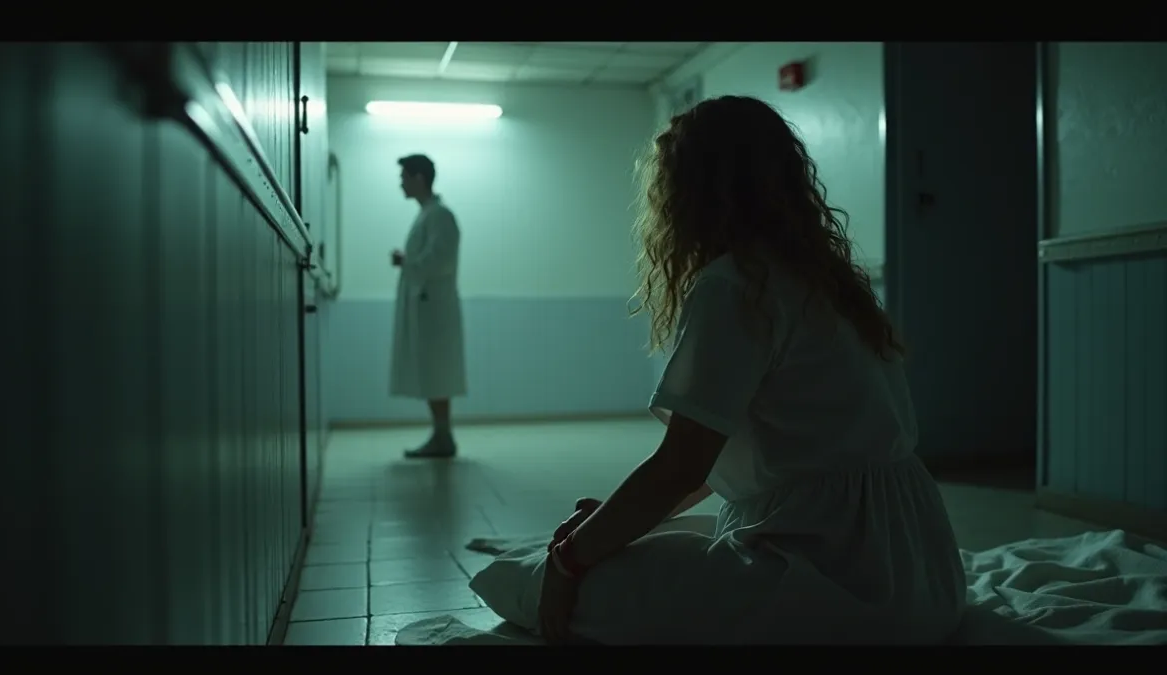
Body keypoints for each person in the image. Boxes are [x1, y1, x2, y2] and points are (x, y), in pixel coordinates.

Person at [535, 96, 967, 645]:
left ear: (688, 193)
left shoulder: (735, 285)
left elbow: (682, 465)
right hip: (924, 576)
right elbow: (704, 463)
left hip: (838, 581)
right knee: (647, 540)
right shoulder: (829, 280)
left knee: (549, 578)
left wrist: (570, 560)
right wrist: (620, 521)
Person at [389, 154, 467, 459]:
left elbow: (441, 260)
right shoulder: (428, 215)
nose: (401, 184)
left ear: (419, 178)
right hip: (428, 310)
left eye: (404, 178)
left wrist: (407, 261)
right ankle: (441, 434)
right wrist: (410, 263)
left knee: (437, 373)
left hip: (434, 311)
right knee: (432, 373)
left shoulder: (440, 215)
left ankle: (443, 436)